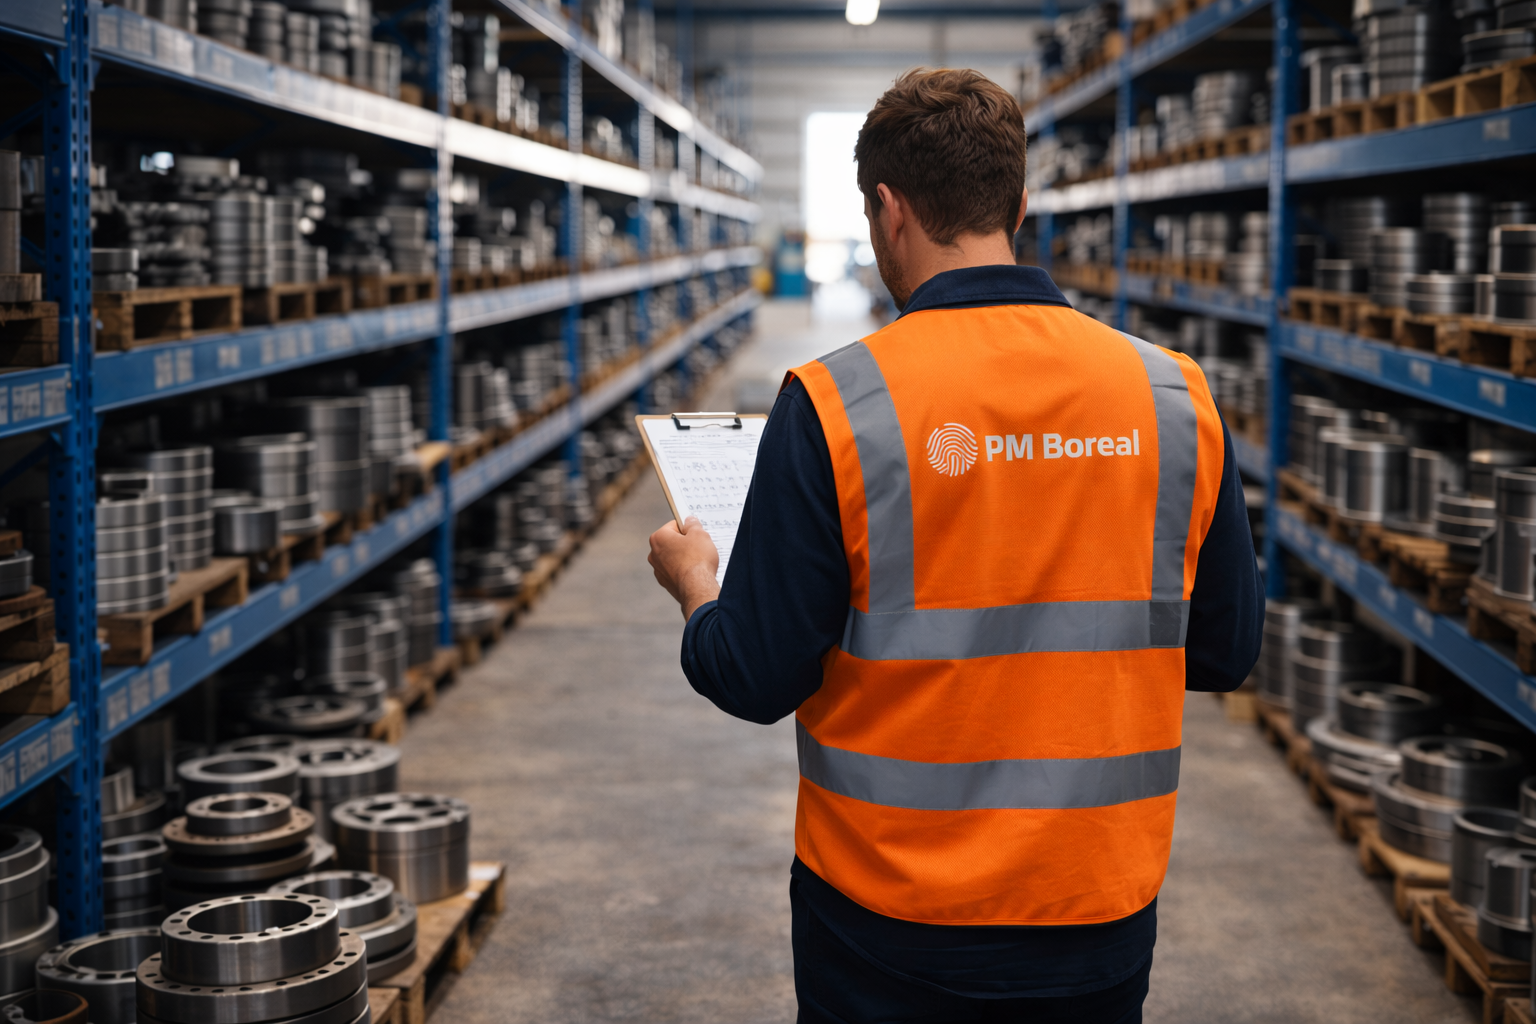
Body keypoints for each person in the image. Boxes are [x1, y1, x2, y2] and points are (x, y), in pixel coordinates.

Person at [647, 67, 1264, 1024]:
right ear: (1018, 203)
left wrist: (696, 589)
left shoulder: (836, 403)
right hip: (1096, 914)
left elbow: (757, 675)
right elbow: (1225, 650)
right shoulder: (1172, 396)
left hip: (889, 923)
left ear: (888, 209)